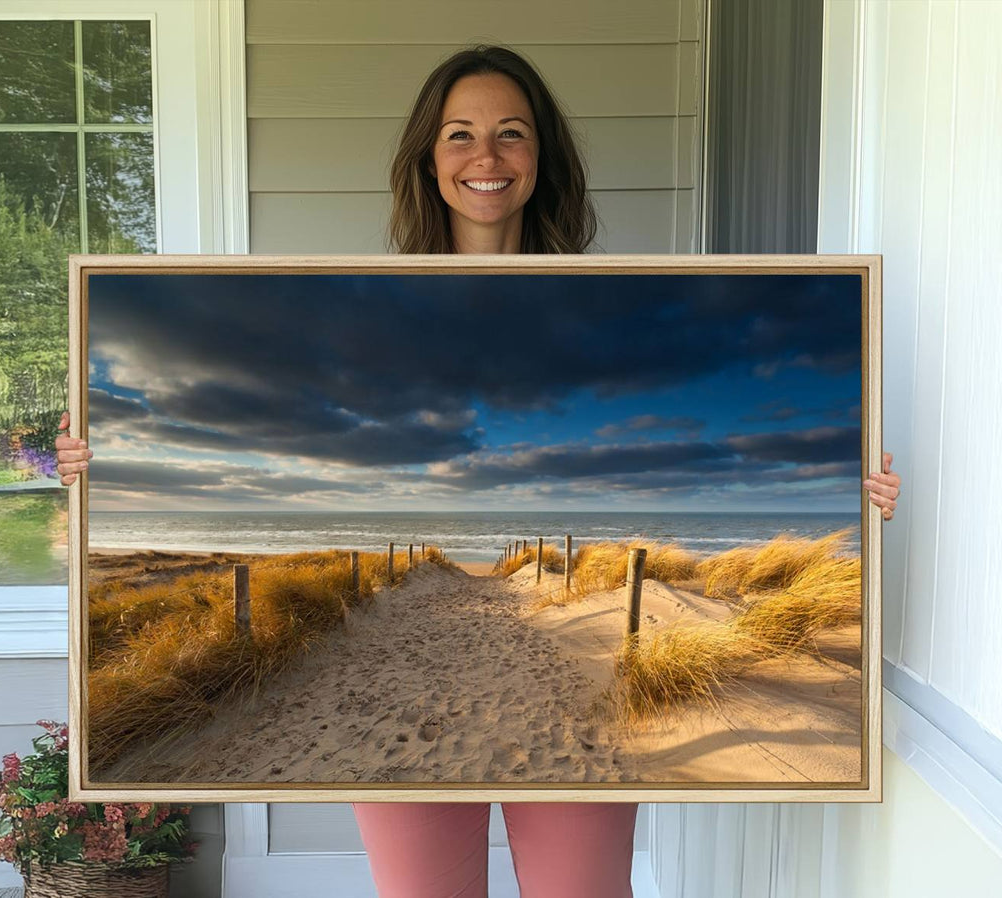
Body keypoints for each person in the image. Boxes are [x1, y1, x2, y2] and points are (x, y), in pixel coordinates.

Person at [55, 45, 902, 898]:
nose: (486, 157)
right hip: (398, 710)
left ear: (542, 158)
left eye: (511, 134)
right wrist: (93, 469)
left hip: (573, 714)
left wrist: (854, 494)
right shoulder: (363, 305)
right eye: (460, 134)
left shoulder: (606, 304)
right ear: (429, 157)